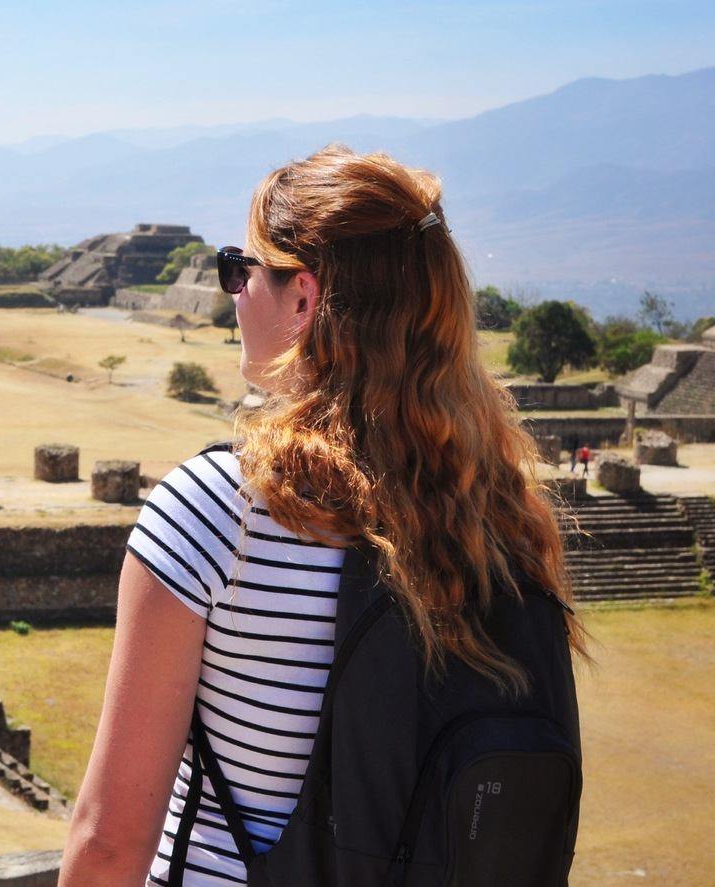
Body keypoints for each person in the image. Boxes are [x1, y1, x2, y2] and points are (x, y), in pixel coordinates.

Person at [61, 145, 584, 886]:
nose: (234, 292)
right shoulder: (504, 523)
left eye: (242, 270)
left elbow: (110, 839)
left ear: (304, 299)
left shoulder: (221, 514)